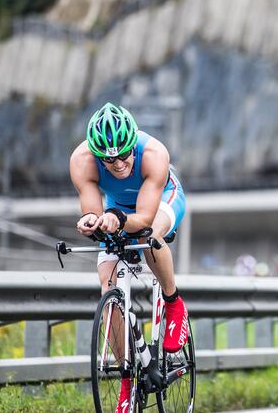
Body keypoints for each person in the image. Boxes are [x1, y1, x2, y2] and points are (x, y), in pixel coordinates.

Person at [70, 102, 189, 412]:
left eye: (124, 154)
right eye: (108, 160)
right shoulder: (82, 161)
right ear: (97, 155)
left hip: (161, 201)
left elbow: (145, 218)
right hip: (116, 208)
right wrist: (91, 220)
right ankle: (128, 381)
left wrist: (118, 218)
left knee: (149, 237)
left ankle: (174, 302)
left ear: (132, 143)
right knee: (107, 287)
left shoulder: (154, 154)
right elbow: (93, 208)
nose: (118, 163)